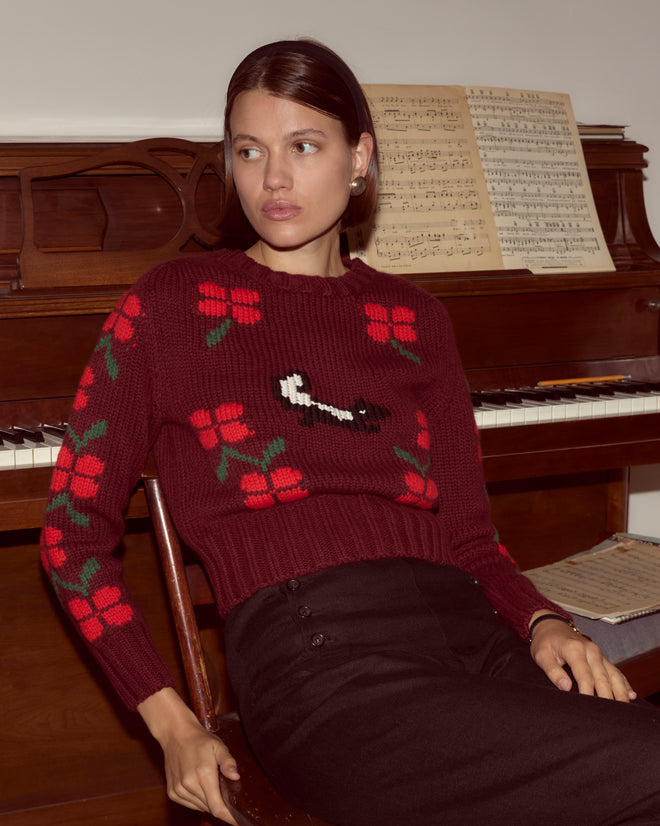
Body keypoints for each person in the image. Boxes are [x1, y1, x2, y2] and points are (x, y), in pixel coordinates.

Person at [40, 38, 660, 826]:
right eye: (249, 150)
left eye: (303, 146)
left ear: (360, 158)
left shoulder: (415, 319)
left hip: (471, 637)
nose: (273, 179)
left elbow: (471, 539)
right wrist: (172, 724)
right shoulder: (170, 305)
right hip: (320, 667)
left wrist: (543, 622)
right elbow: (70, 535)